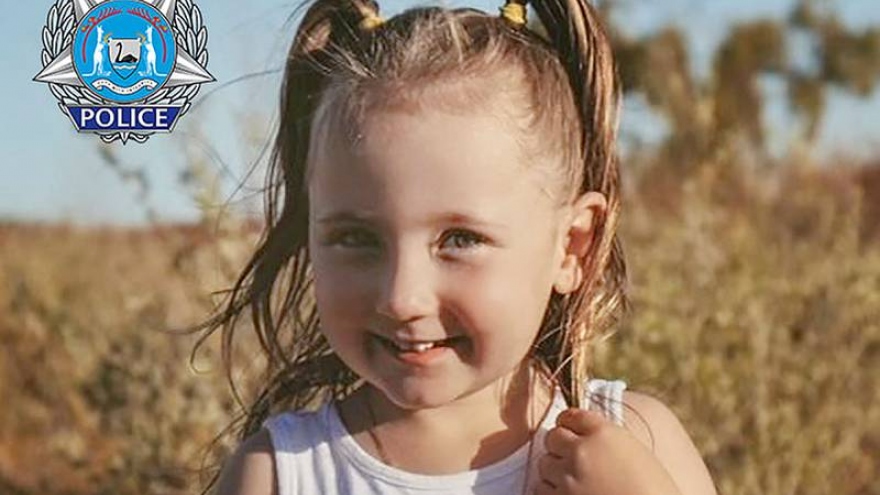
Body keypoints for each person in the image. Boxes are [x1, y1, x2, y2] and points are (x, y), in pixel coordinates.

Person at [203, 0, 719, 493]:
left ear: (572, 247)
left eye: (461, 240)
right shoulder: (279, 475)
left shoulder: (638, 445)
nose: (402, 298)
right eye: (356, 238)